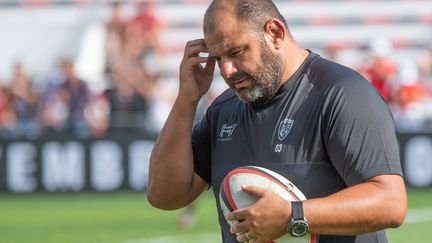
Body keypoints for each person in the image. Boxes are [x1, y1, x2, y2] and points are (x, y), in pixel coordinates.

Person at [147, 1, 407, 243]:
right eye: (218, 59)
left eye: (236, 52)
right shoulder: (223, 110)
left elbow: (390, 203)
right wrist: (186, 99)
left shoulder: (342, 93)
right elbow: (164, 196)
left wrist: (293, 215)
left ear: (274, 33)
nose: (226, 70)